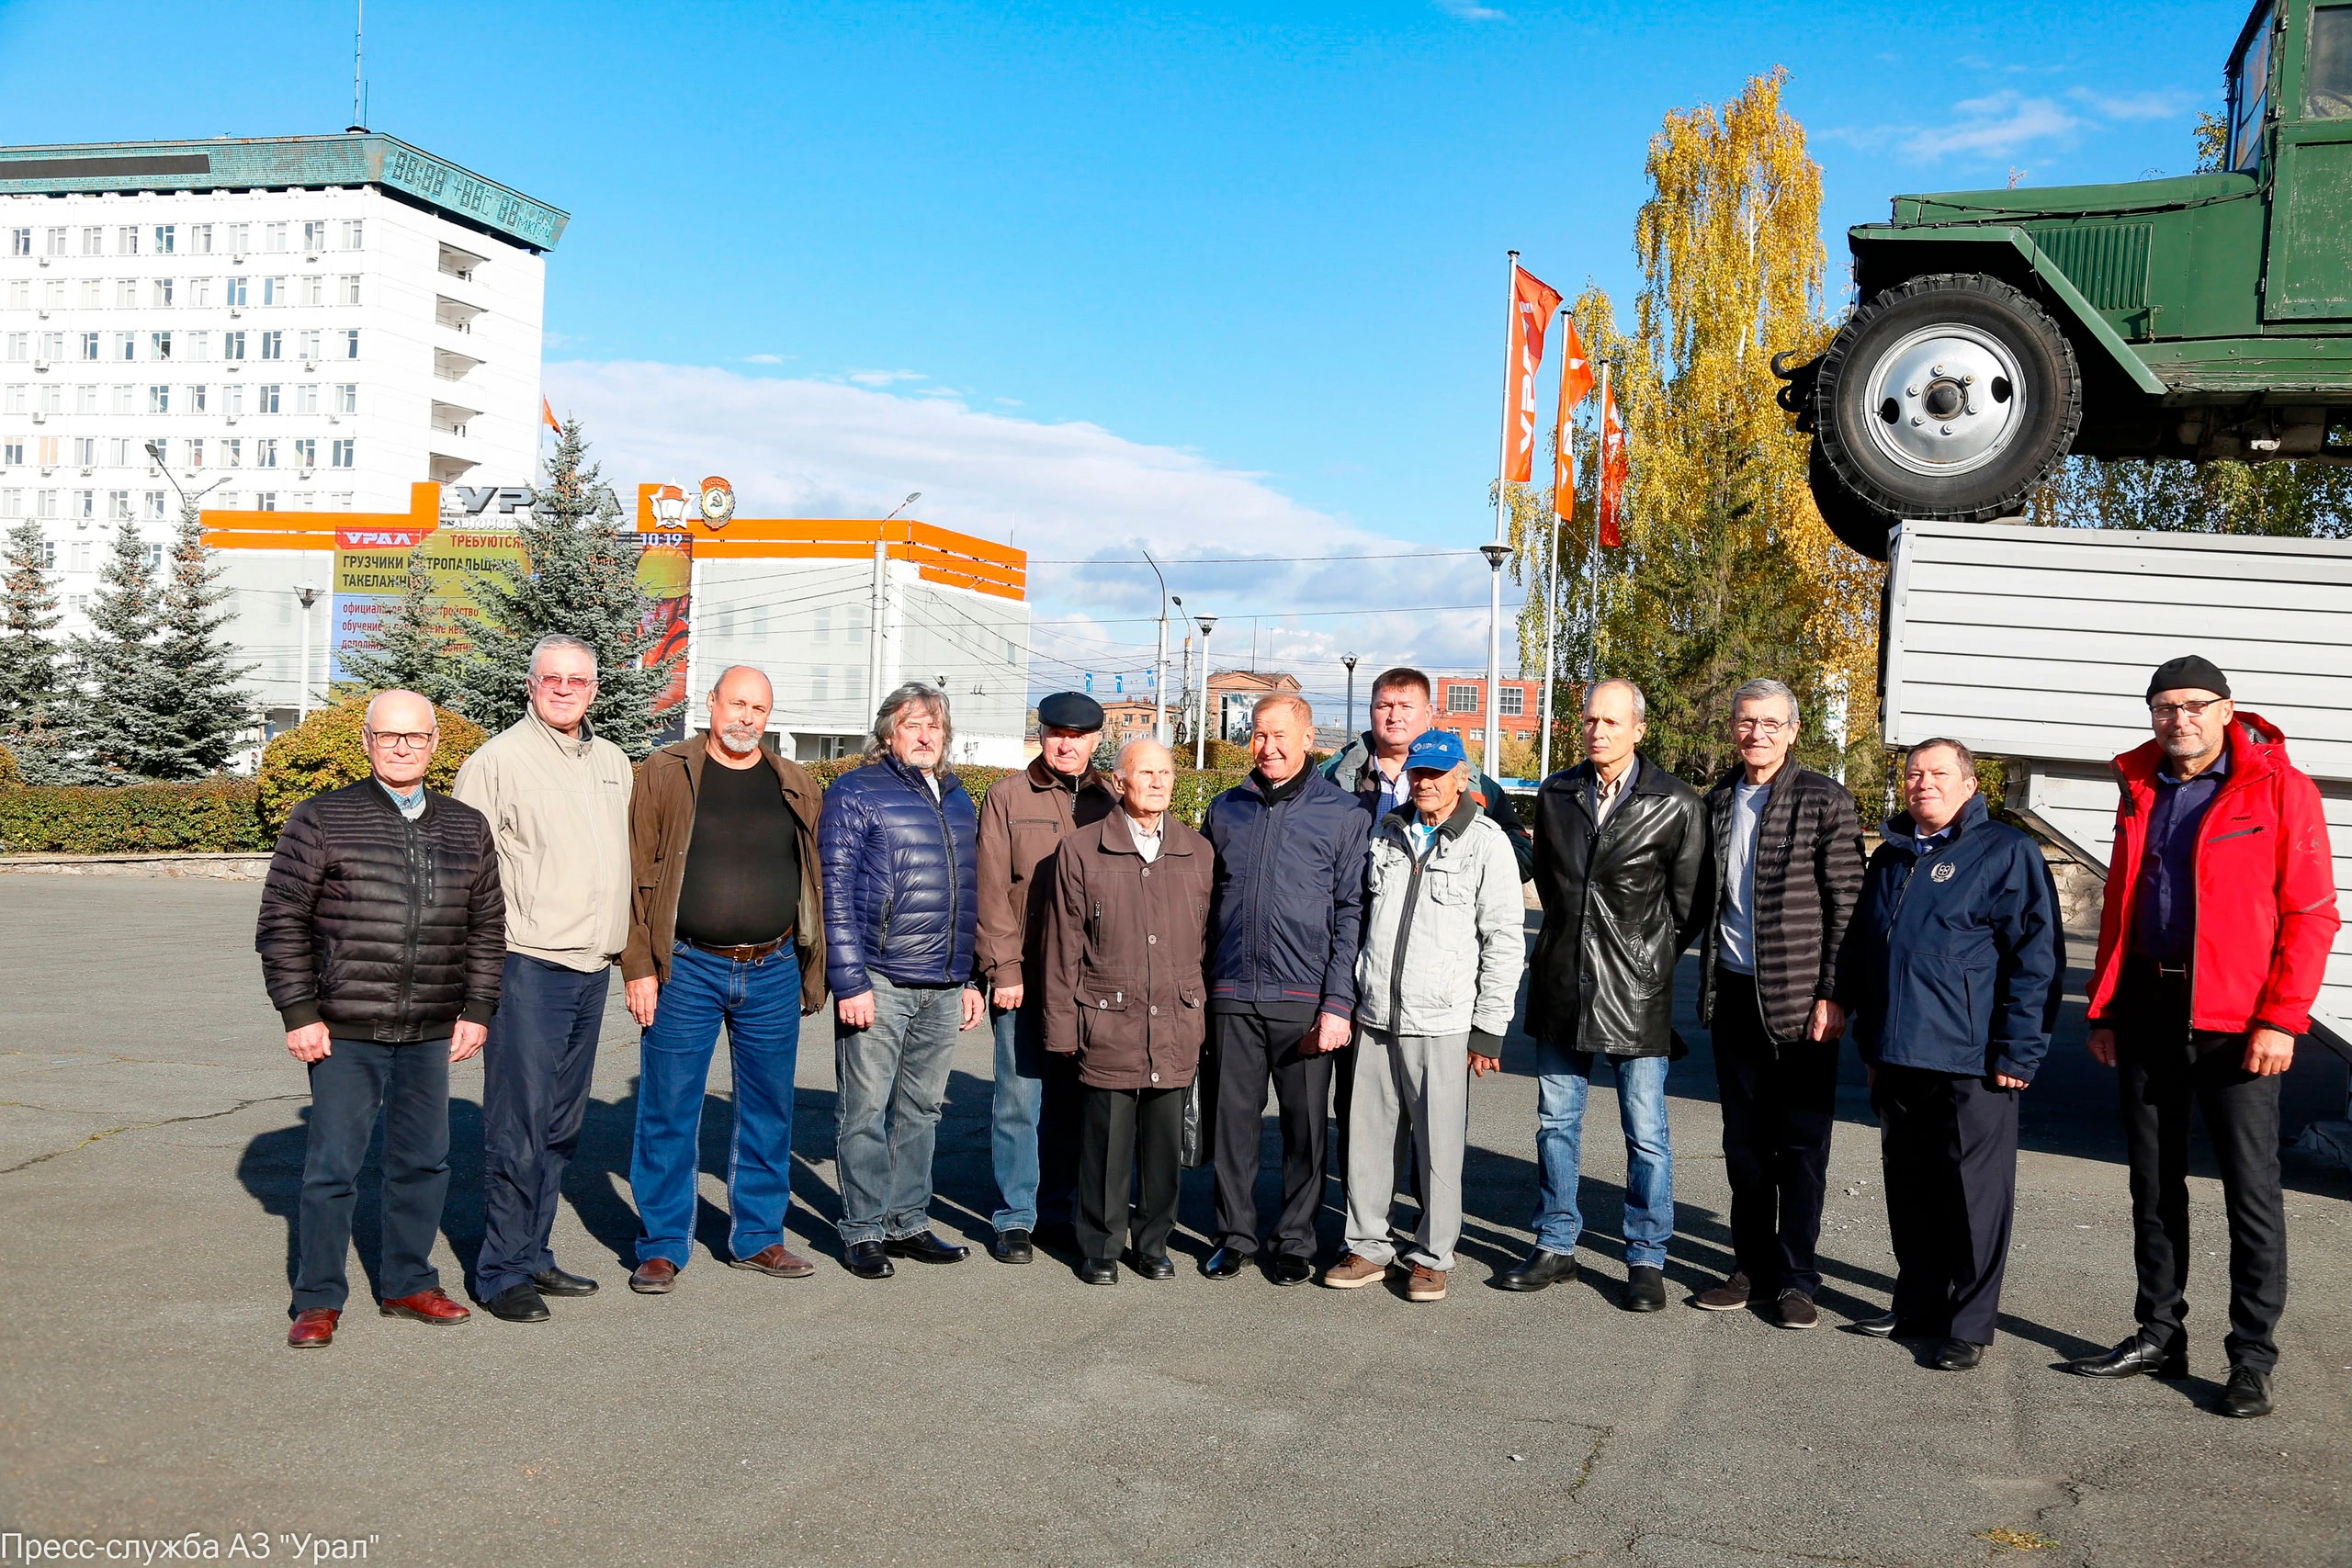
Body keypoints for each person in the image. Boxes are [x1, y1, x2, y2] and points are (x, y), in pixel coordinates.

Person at [2064, 657, 2339, 1419]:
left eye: (2192, 705)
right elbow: (2121, 903)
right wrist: (2105, 1008)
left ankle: (2251, 1357)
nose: (2176, 718)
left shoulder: (2280, 789)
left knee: (2252, 1193)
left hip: (2239, 1022)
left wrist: (2283, 1017)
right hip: (2150, 1005)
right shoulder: (2143, 787)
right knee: (2153, 1184)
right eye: (2163, 706)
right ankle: (2159, 1331)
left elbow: (2313, 913)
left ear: (2227, 709)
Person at [257, 690, 506, 1348]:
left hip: (431, 1027)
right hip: (342, 1027)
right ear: (366, 741)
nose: (403, 747)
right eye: (390, 736)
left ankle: (407, 1281)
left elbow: (486, 926)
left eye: (416, 737)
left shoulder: (466, 825)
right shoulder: (320, 819)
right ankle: (317, 1298)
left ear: (434, 745)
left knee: (424, 1161)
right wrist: (300, 1011)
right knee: (332, 1167)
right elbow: (281, 922)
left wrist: (478, 1008)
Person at [1840, 739, 2064, 1372]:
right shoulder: (1891, 857)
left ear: (1969, 784)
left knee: (1973, 1195)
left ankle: (1968, 1324)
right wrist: (1868, 1040)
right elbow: (1866, 949)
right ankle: (1916, 1304)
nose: (1923, 783)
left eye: (1938, 773)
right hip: (1899, 1053)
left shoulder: (2006, 853)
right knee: (1910, 1187)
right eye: (1913, 773)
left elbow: (2036, 961)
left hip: (1973, 1057)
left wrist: (2019, 1049)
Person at [621, 666, 828, 1294]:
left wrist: (811, 962)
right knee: (668, 1107)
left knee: (769, 1107)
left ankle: (759, 1235)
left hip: (772, 965)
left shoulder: (795, 782)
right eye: (736, 702)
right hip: (685, 966)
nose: (746, 717)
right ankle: (661, 1244)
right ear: (711, 703)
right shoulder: (665, 772)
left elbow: (814, 875)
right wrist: (638, 966)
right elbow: (634, 872)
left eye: (758, 708)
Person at [1501, 678, 1706, 1310]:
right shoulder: (1557, 794)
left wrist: (1647, 960)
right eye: (1591, 719)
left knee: (1646, 1132)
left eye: (1612, 722)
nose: (1599, 731)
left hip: (1636, 994)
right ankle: (1556, 1244)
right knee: (1554, 1125)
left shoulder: (1676, 803)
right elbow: (1549, 882)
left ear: (1639, 729)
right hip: (1562, 983)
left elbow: (1690, 905)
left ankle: (1646, 1257)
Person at [453, 634, 634, 1325]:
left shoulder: (614, 762)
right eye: (551, 678)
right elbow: (464, 876)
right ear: (530, 686)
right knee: (518, 1125)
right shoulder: (497, 761)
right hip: (526, 965)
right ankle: (499, 1270)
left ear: (594, 688)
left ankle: (533, 1251)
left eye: (578, 680)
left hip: (592, 970)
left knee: (561, 1125)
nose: (565, 688)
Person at [1688, 679, 1866, 1330]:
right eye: (1745, 721)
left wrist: (1834, 992)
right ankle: (1751, 1266)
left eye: (1770, 722)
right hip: (1733, 994)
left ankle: (1796, 1277)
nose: (1756, 732)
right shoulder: (1716, 801)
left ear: (1793, 730)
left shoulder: (1824, 798)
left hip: (1802, 1000)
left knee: (1800, 1146)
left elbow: (1848, 902)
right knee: (1744, 1145)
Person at [1322, 728, 1522, 1303]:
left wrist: (1489, 1028)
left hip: (1444, 1021)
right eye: (1418, 772)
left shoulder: (1486, 843)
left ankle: (1433, 1254)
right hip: (1377, 1016)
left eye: (1438, 773)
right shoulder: (1384, 833)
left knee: (1438, 1149)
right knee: (1367, 1139)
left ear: (1464, 777)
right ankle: (1366, 1245)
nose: (1426, 782)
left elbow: (1505, 942)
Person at [1200, 693, 1371, 1285]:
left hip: (1304, 1002)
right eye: (1257, 734)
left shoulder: (1343, 813)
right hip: (1231, 994)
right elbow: (1204, 904)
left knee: (1304, 1129)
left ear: (1307, 739)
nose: (1267, 747)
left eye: (1278, 735)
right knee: (1233, 1124)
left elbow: (1351, 913)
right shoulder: (1226, 810)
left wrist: (1336, 1003)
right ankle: (1234, 1235)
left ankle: (1296, 1239)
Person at [821, 682, 985, 1280]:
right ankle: (863, 1229)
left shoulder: (960, 799)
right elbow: (833, 891)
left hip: (944, 983)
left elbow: (969, 894)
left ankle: (908, 1219)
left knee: (920, 1110)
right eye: (913, 724)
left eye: (934, 726)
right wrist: (850, 979)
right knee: (863, 1110)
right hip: (880, 979)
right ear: (888, 730)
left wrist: (968, 977)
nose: (924, 735)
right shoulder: (855, 792)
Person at [1040, 738, 1216, 1284]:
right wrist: (1062, 1027)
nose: (1159, 782)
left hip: (1176, 1017)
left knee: (1163, 1143)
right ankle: (1100, 1245)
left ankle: (1154, 1242)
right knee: (1107, 1142)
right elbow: (1063, 944)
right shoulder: (1082, 848)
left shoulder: (1197, 850)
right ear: (1120, 783)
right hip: (1108, 1015)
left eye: (1166, 772)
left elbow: (1205, 940)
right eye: (1146, 772)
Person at [974, 690, 1115, 1263]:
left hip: (1092, 977)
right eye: (1057, 732)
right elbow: (990, 891)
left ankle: (1059, 1207)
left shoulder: (1113, 798)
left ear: (1096, 740)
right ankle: (1015, 1217)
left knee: (1075, 1097)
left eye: (1079, 736)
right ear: (1042, 734)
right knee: (1019, 1096)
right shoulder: (1008, 796)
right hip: (1027, 974)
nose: (1067, 743)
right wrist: (1003, 968)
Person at [1322, 665, 1533, 878]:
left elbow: (1522, 857)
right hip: (1353, 908)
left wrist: (1468, 876)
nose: (1394, 716)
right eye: (1384, 706)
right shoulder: (1330, 778)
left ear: (1427, 714)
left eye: (1406, 706)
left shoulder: (1474, 784)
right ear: (1371, 712)